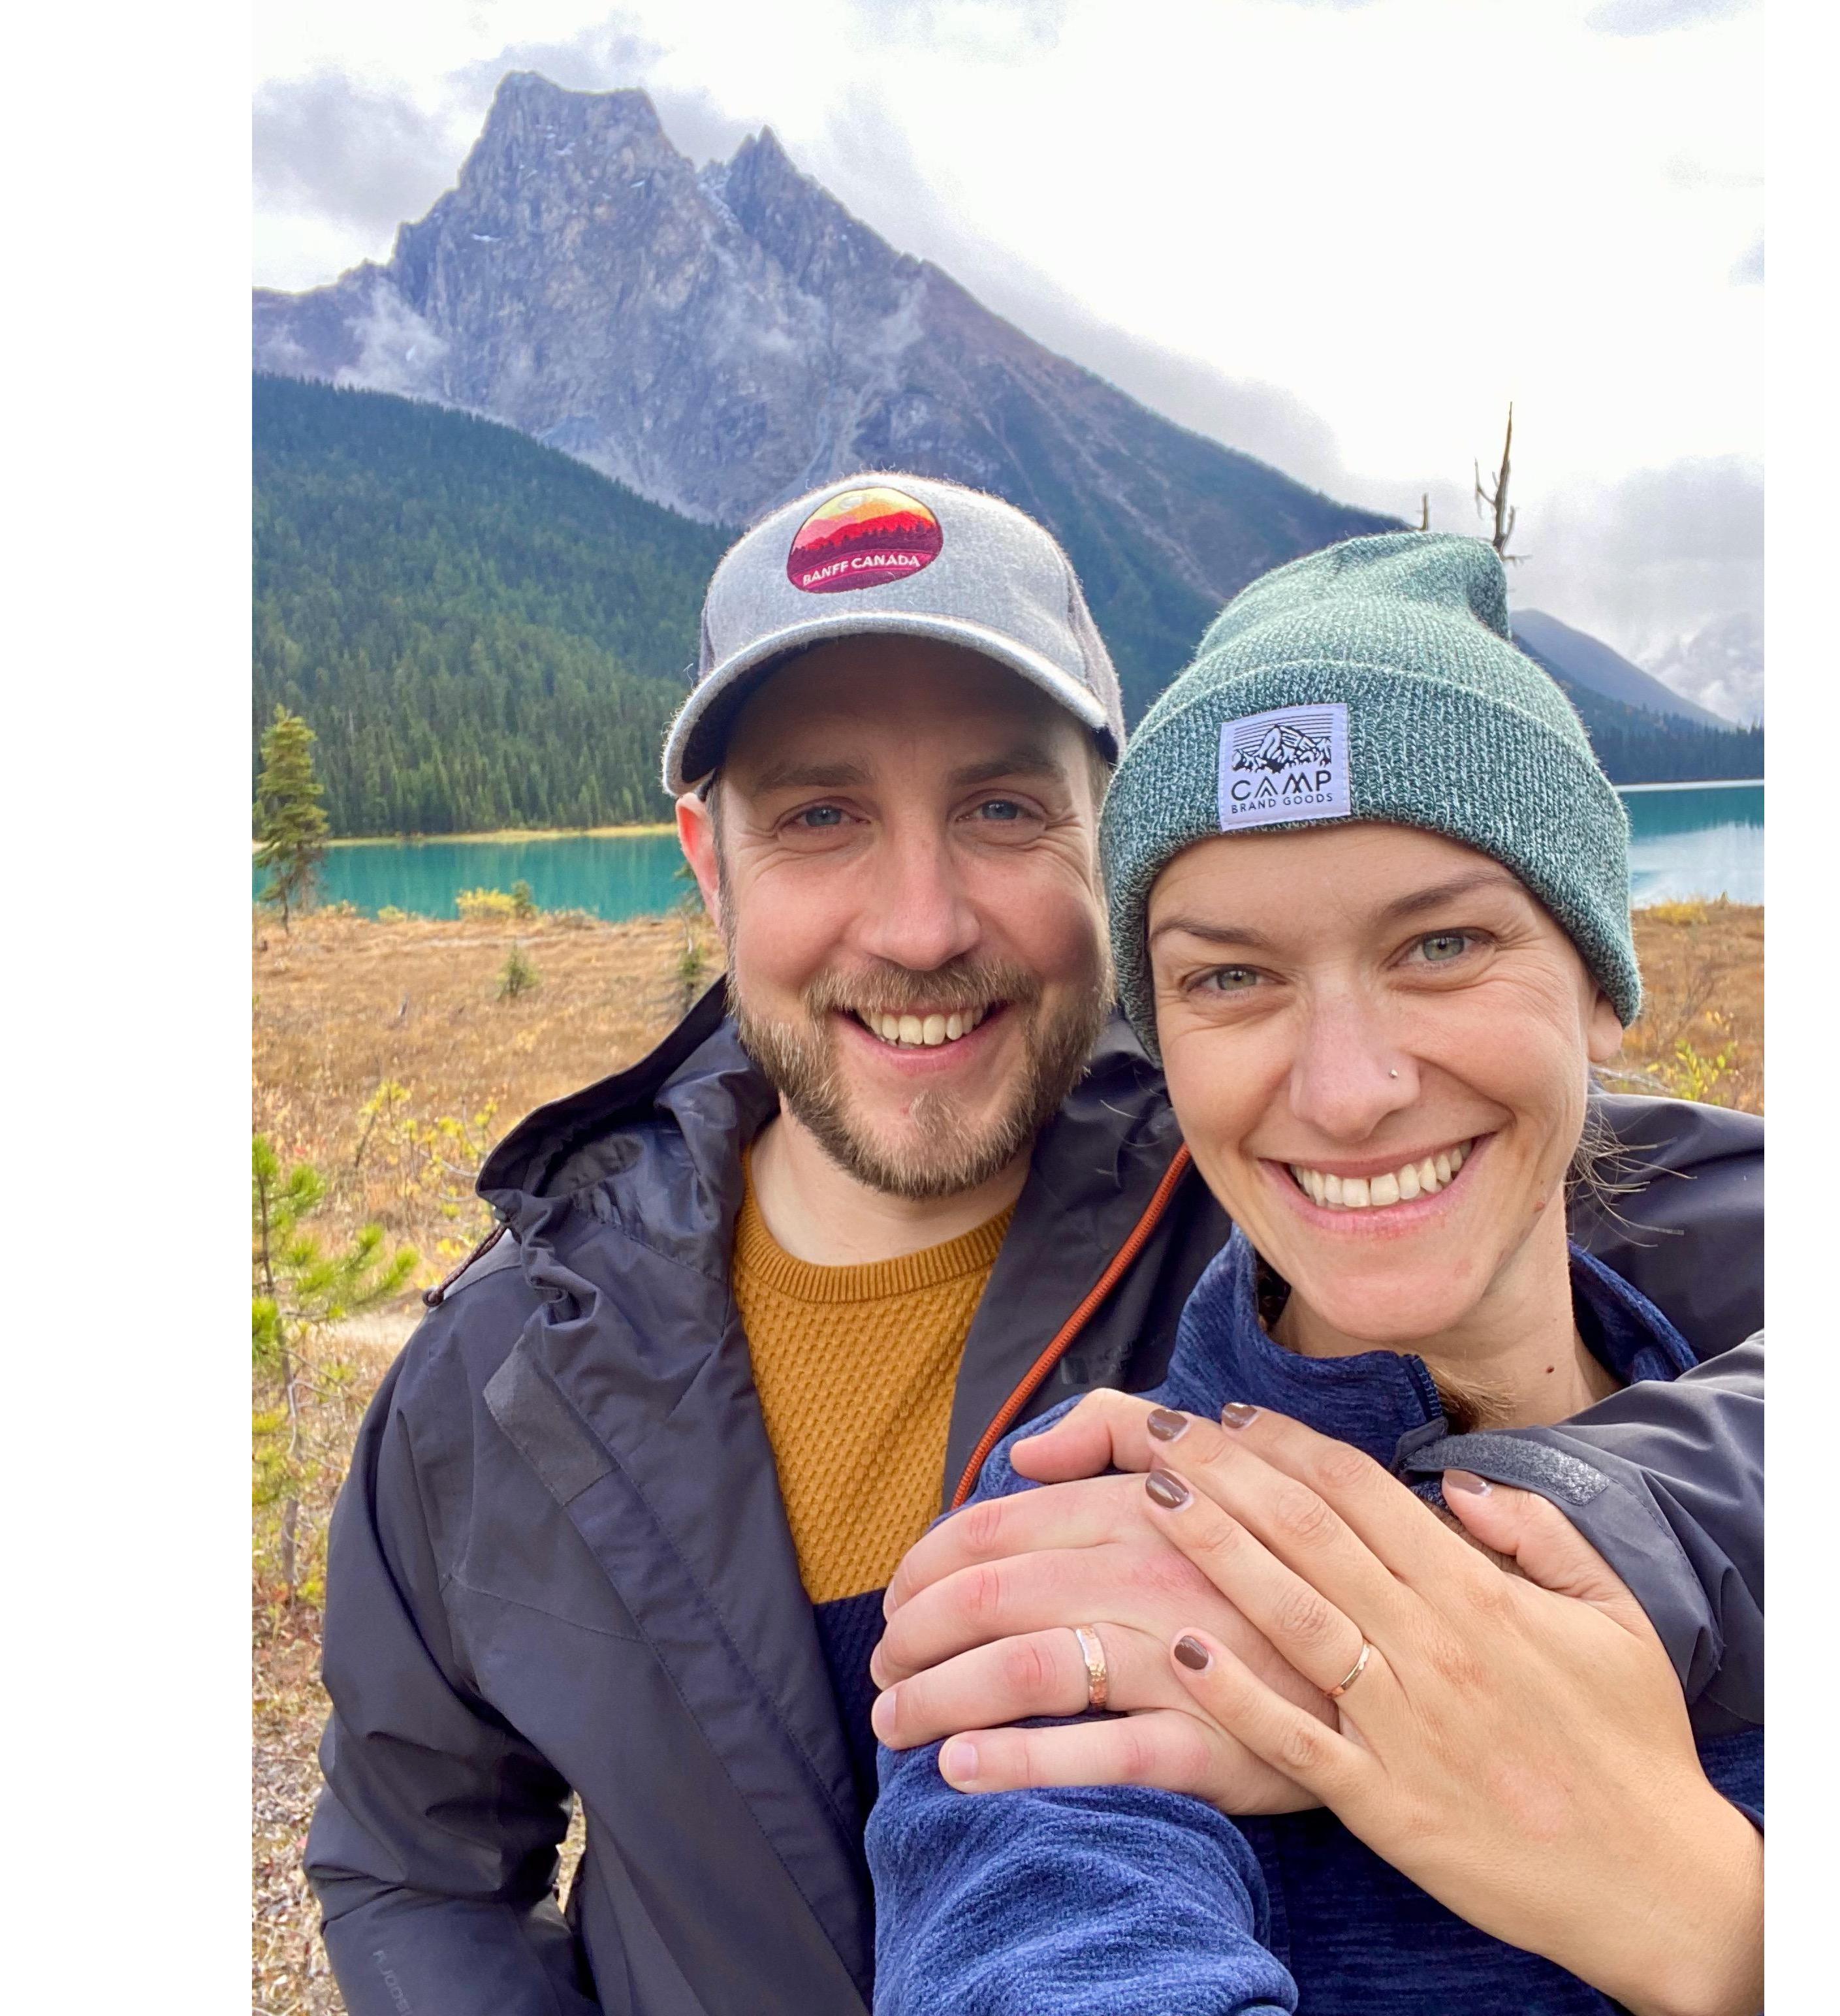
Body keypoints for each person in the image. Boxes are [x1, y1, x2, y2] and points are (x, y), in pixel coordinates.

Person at [306, 480, 1765, 2015]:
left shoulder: (1311, 1189)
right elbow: (412, 1858)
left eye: (1003, 807)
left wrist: (1511, 1554)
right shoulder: (508, 1368)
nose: (922, 923)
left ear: (1104, 839)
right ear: (707, 857)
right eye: (819, 815)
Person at [866, 532, 1764, 2015]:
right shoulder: (1081, 1567)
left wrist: (1704, 1915)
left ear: (1599, 981)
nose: (1346, 1090)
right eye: (1231, 975)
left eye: (1442, 944)